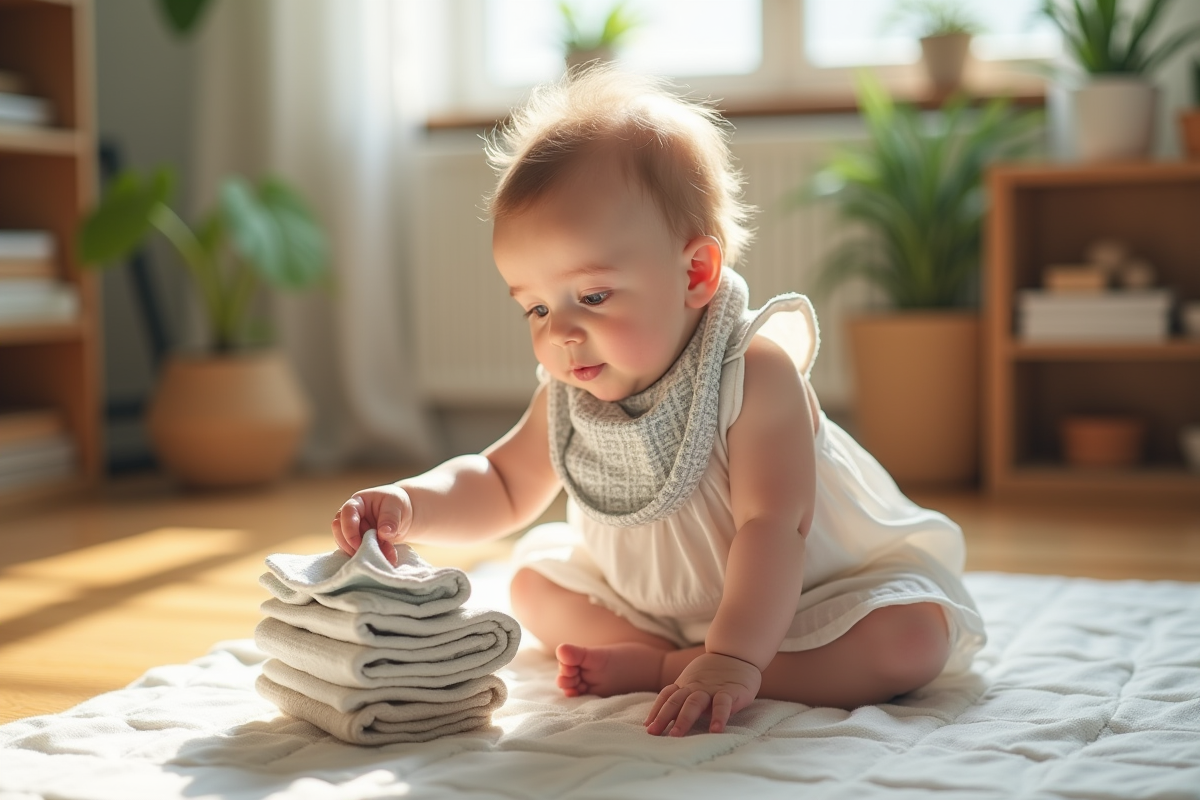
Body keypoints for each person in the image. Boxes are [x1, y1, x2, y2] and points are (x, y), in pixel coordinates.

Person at [331, 67, 985, 738]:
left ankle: (677, 667)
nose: (558, 331)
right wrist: (413, 504)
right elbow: (501, 483)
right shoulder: (568, 387)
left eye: (592, 296)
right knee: (531, 587)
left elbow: (772, 527)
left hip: (799, 602)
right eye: (534, 306)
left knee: (909, 641)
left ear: (695, 273)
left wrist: (732, 658)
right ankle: (672, 656)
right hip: (655, 604)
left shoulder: (753, 371)